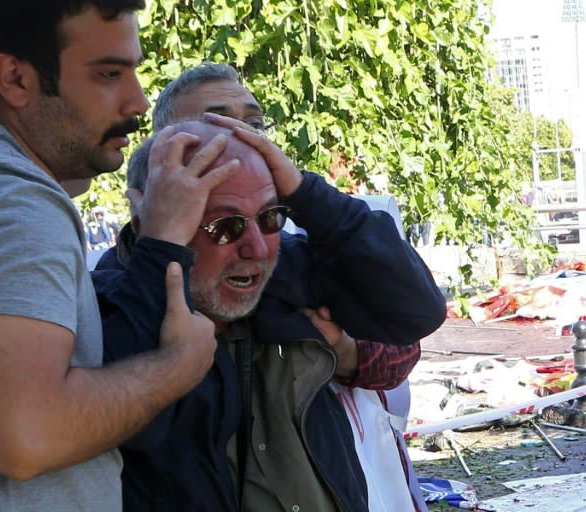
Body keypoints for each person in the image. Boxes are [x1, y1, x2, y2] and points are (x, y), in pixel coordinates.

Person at [0, 2, 240, 510]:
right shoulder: (6, 198)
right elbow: (26, 435)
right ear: (14, 78)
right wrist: (179, 365)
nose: (138, 101)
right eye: (109, 73)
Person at [94, 118, 444, 511]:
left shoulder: (284, 277)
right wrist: (160, 257)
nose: (257, 248)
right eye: (225, 227)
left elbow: (417, 311)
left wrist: (305, 191)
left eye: (270, 217)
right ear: (153, 223)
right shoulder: (103, 313)